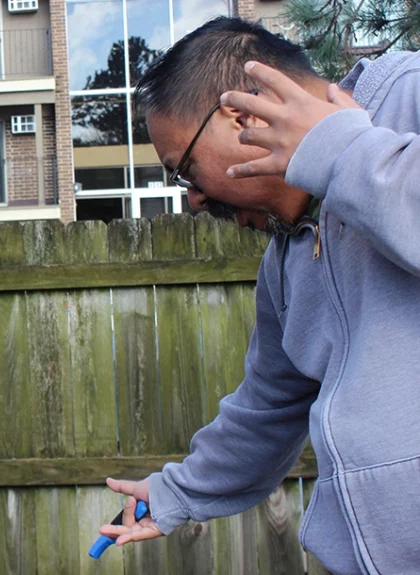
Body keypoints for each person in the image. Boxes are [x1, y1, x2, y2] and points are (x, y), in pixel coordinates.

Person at [97, 17, 420, 575]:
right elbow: (267, 410)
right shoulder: (288, 260)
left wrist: (338, 148)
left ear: (242, 117)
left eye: (187, 171)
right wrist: (176, 490)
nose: (195, 200)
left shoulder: (409, 95)